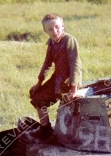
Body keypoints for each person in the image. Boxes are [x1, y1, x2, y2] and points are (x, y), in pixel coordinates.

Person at [29, 13, 82, 141]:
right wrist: (39, 83)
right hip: (56, 79)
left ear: (63, 26)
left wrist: (74, 89)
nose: (54, 31)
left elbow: (75, 63)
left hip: (69, 81)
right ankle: (45, 130)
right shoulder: (51, 43)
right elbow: (47, 64)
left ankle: (67, 137)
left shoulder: (69, 40)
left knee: (67, 109)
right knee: (37, 98)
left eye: (57, 27)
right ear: (45, 30)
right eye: (50, 29)